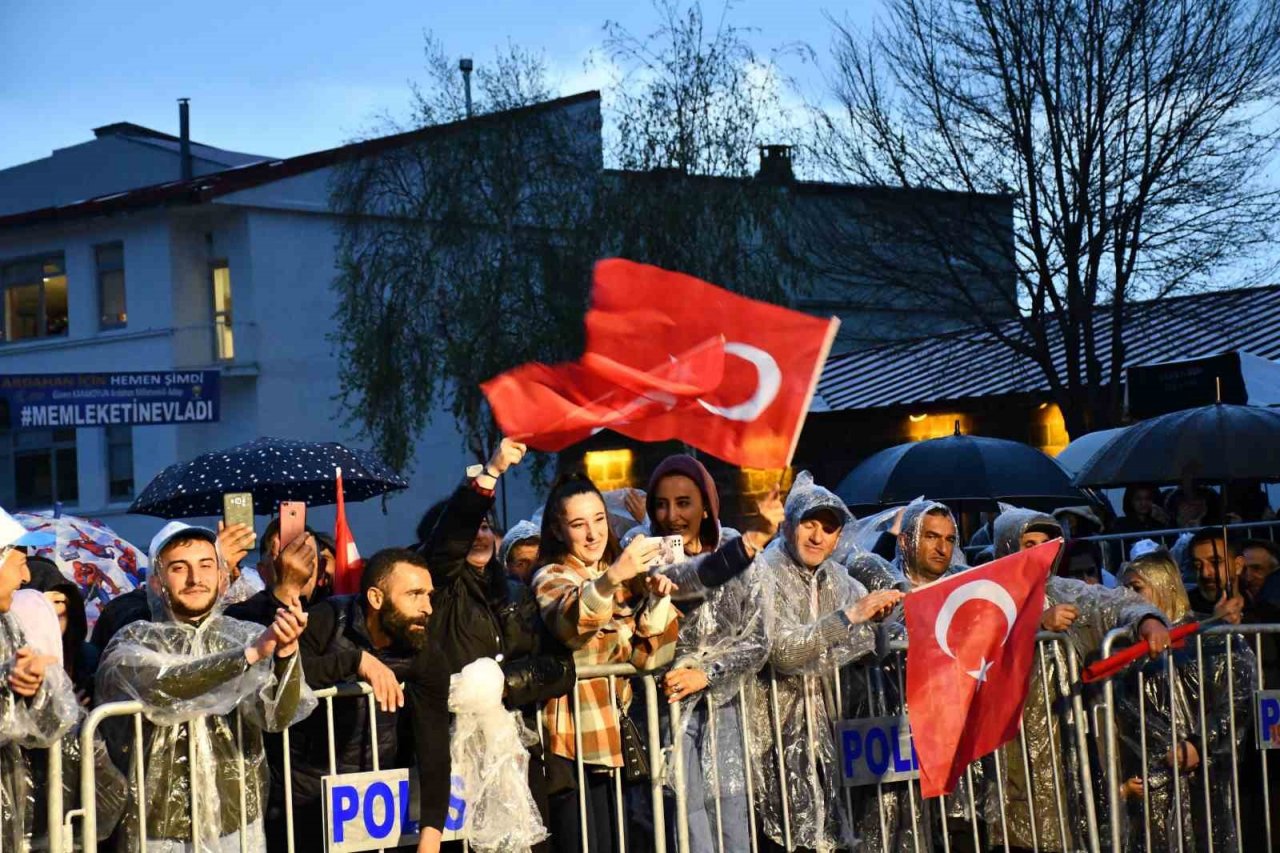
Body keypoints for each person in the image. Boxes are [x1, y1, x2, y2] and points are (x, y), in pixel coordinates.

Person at [95, 521, 314, 853]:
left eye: (206, 565)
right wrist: (251, 655)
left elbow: (277, 716)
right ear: (156, 581)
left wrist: (285, 654)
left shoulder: (244, 633)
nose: (195, 579)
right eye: (179, 568)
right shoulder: (132, 640)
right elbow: (167, 686)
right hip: (158, 826)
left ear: (222, 576)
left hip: (237, 819)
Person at [417, 440, 576, 852]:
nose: (480, 533)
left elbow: (561, 668)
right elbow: (451, 537)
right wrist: (490, 473)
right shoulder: (440, 584)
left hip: (517, 754)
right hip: (457, 758)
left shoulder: (517, 594)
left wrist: (504, 685)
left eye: (488, 525)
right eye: (474, 526)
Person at [989, 509, 1169, 852]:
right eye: (1029, 544)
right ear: (1008, 547)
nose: (1041, 551)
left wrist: (1147, 620)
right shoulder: (989, 595)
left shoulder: (1068, 590)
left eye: (1048, 543)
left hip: (1071, 732)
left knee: (1076, 821)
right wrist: (1036, 625)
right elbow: (976, 641)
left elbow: (1118, 601)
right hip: (1012, 737)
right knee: (1019, 825)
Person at [748, 471, 903, 851]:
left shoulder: (840, 578)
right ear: (789, 524)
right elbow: (783, 651)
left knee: (832, 837)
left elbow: (871, 647)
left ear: (839, 537)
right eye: (809, 524)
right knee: (784, 837)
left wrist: (880, 623)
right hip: (774, 734)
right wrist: (850, 617)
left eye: (829, 529)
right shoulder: (765, 571)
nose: (818, 537)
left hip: (832, 735)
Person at [633, 454, 781, 853]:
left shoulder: (737, 548)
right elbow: (683, 581)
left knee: (731, 815)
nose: (672, 514)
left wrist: (709, 672)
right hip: (670, 707)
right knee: (686, 818)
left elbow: (760, 637)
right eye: (661, 504)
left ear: (705, 505)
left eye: (683, 502)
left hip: (729, 706)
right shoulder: (647, 553)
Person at [533, 472, 682, 853]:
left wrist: (657, 598)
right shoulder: (551, 576)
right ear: (557, 528)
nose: (593, 533)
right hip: (570, 745)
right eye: (578, 524)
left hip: (612, 738)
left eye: (599, 519)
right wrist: (615, 576)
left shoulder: (610, 578)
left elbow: (648, 658)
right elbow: (573, 626)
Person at [288, 547, 452, 853]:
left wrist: (431, 838)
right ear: (376, 598)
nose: (427, 607)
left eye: (429, 595)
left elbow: (435, 750)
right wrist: (355, 661)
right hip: (304, 798)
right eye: (415, 594)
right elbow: (283, 676)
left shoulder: (425, 652)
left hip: (372, 800)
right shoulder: (328, 619)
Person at [1117, 551, 1256, 852]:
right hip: (1147, 787)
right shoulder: (1122, 649)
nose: (1127, 598)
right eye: (1123, 589)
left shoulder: (1210, 639)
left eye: (1136, 588)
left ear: (1164, 585)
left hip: (1204, 778)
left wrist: (1199, 743)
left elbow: (1237, 703)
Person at [0, 509, 80, 849]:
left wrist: (33, 690)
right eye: (18, 561)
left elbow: (39, 724)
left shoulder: (9, 625)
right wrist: (9, 682)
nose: (24, 576)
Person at [892, 500, 960, 588]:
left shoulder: (969, 588)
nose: (943, 549)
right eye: (932, 537)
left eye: (949, 540)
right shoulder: (881, 588)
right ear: (904, 541)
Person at [1186, 529, 1247, 623]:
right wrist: (1216, 624)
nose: (1205, 573)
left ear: (1238, 565)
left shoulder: (1258, 604)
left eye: (1215, 562)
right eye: (1197, 565)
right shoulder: (1183, 609)